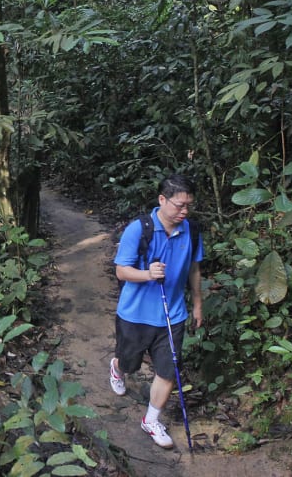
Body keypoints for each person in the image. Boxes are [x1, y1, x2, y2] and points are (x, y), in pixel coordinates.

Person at [109, 174, 204, 449]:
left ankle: (151, 419)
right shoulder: (139, 229)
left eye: (189, 206)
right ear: (162, 200)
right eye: (179, 205)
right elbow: (121, 270)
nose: (184, 211)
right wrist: (147, 273)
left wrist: (197, 303)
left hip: (172, 315)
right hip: (135, 314)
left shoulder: (192, 231)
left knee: (168, 370)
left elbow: (195, 269)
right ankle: (118, 367)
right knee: (130, 363)